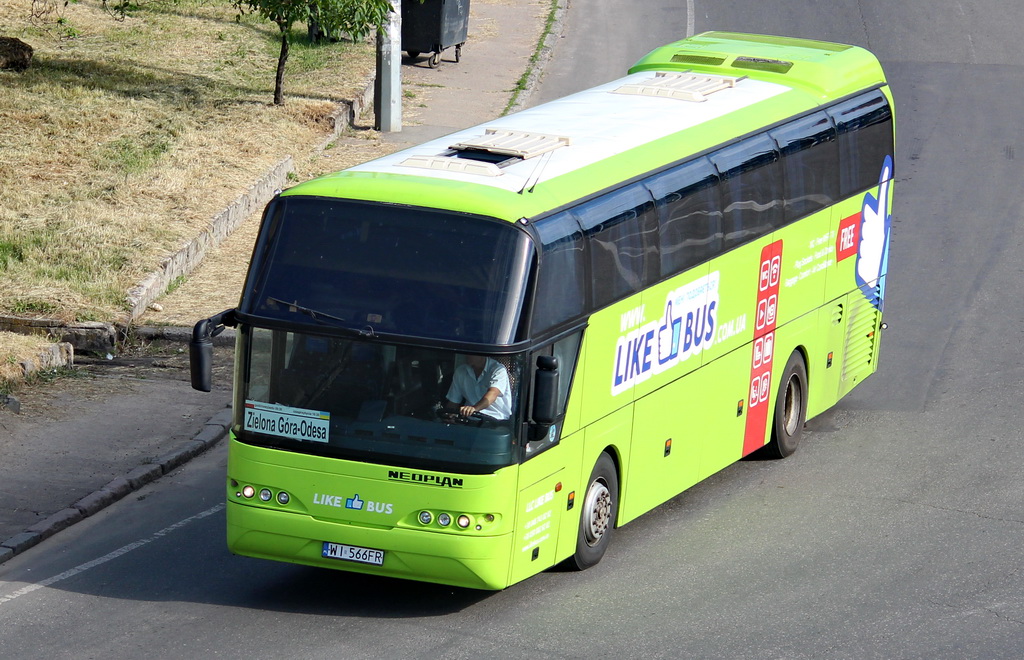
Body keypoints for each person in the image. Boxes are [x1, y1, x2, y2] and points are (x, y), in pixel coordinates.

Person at [444, 355, 512, 421]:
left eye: (472, 353)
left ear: (482, 354)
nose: (467, 356)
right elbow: (454, 401)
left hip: (496, 421)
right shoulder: (461, 371)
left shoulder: (498, 370)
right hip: (470, 422)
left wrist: (474, 408)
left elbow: (492, 394)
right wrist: (449, 416)